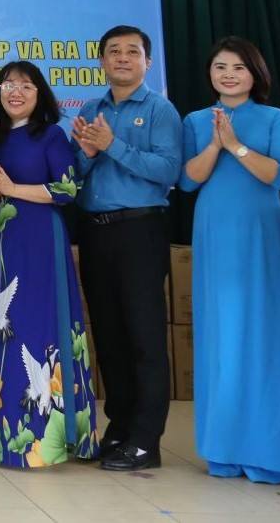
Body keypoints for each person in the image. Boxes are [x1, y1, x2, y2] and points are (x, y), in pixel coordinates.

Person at [179, 38, 280, 483]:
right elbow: (188, 181)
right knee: (221, 339)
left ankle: (272, 453)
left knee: (264, 335)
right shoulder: (196, 120)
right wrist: (215, 145)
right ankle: (223, 449)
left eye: (238, 67)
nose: (228, 74)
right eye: (220, 66)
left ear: (255, 72)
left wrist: (235, 145)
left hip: (261, 235)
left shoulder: (275, 118)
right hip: (215, 234)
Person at [0, 61, 99, 468]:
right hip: (0, 242)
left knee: (40, 327)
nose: (15, 91)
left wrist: (13, 189)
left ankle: (50, 440)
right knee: (1, 331)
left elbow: (66, 188)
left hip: (41, 240)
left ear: (39, 92)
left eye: (25, 85)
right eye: (8, 84)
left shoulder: (50, 134)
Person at [72, 25, 181, 471]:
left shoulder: (160, 109)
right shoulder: (90, 107)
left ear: (146, 62)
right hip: (96, 231)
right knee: (110, 336)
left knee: (144, 336)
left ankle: (145, 439)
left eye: (131, 52)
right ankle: (117, 429)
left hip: (140, 231)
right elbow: (78, 171)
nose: (121, 58)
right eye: (113, 51)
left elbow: (167, 170)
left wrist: (112, 145)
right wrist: (88, 153)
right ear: (101, 61)